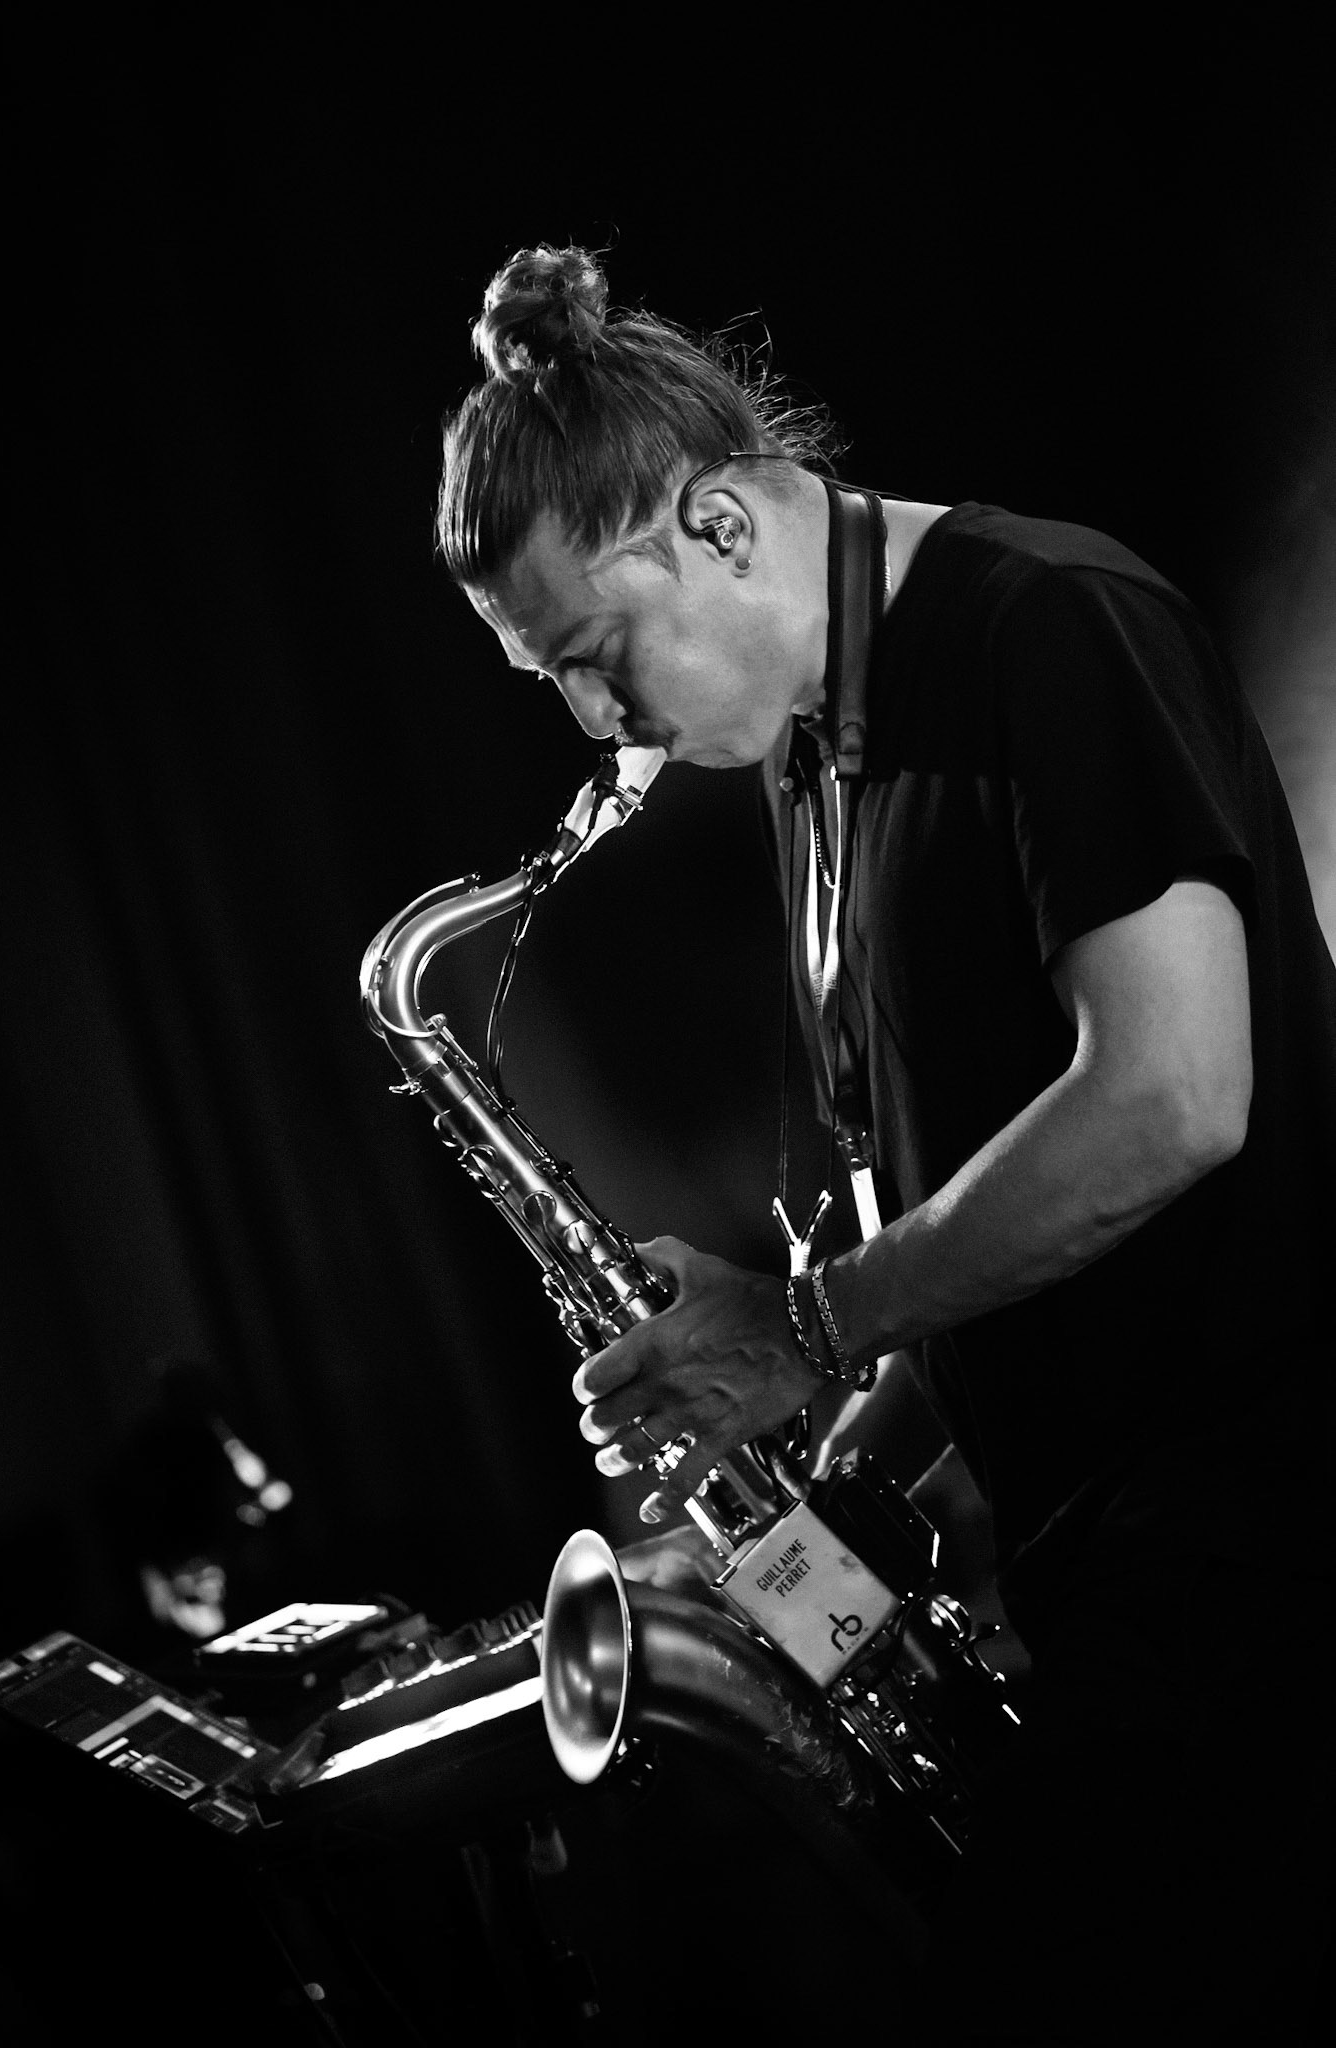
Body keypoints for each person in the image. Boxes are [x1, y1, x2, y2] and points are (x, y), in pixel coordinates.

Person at [434, 244, 1334, 2045]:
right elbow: (988, 1156)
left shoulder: (1039, 623)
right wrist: (877, 1423)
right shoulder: (814, 754)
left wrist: (808, 1322)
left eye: (595, 660)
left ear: (715, 524)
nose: (602, 728)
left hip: (1270, 1508)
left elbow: (1171, 1096)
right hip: (1130, 1551)